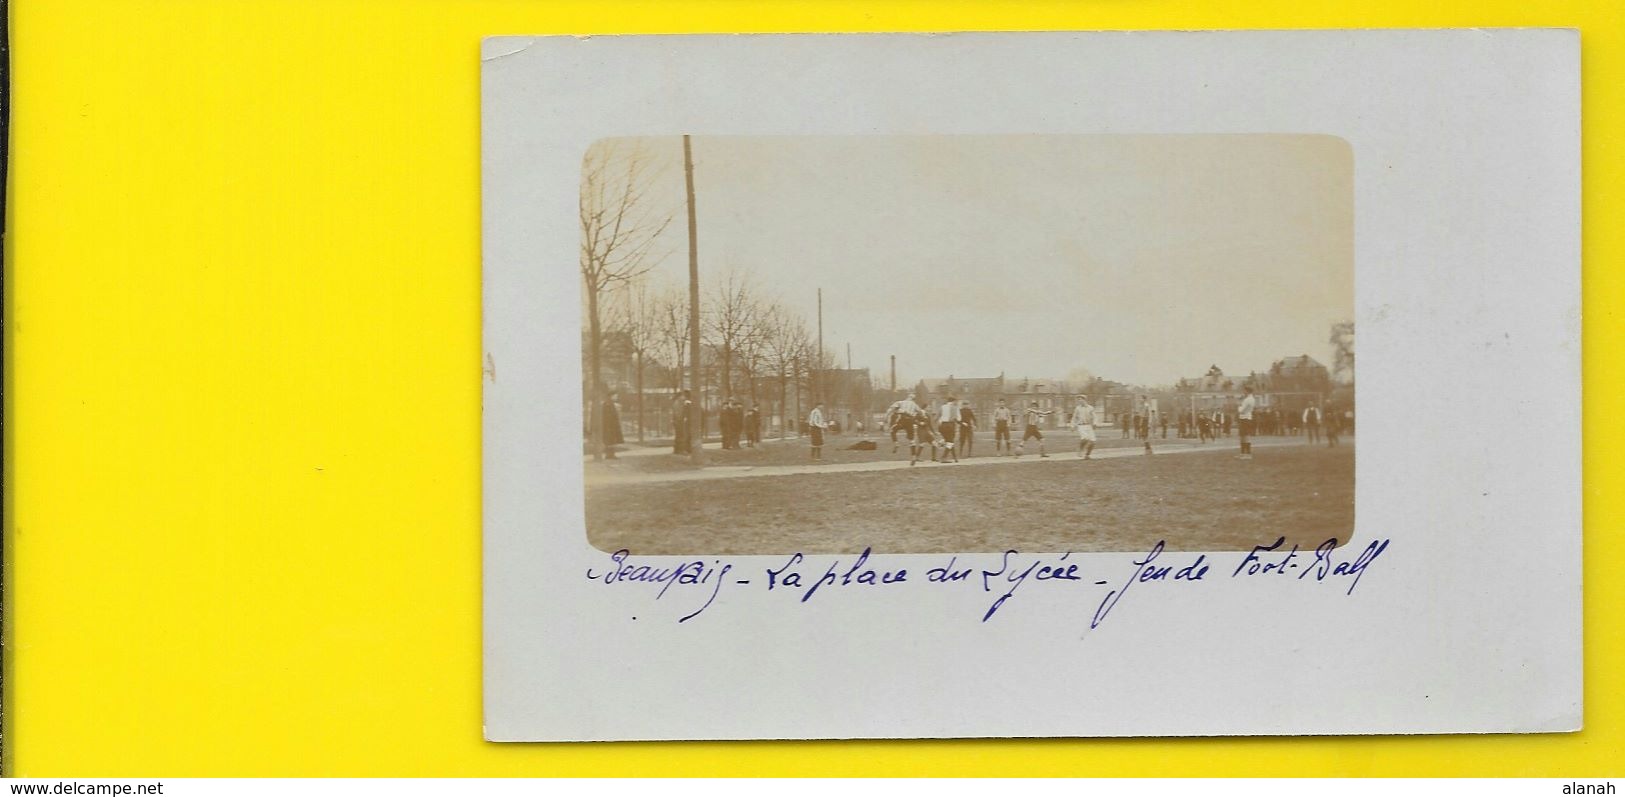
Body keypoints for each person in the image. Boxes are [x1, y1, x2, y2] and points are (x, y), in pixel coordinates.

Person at [600, 392, 624, 459]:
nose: (616, 397)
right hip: (608, 426)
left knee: (612, 441)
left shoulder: (614, 405)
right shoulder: (605, 405)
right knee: (608, 441)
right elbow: (604, 416)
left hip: (613, 426)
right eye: (615, 396)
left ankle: (611, 454)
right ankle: (608, 455)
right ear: (610, 396)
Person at [937, 396, 961, 463]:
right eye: (956, 401)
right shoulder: (955, 408)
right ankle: (943, 457)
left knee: (950, 441)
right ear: (953, 401)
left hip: (942, 425)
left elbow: (937, 417)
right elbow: (959, 419)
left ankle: (955, 457)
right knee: (950, 442)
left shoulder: (942, 407)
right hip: (950, 425)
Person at [1072, 395, 1097, 459]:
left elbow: (1094, 416)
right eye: (1078, 400)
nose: (1079, 401)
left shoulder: (1090, 408)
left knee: (1093, 441)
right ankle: (1080, 450)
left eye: (1080, 399)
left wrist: (1095, 423)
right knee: (1085, 438)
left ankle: (1087, 455)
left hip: (1088, 425)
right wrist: (1072, 425)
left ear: (1084, 400)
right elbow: (1074, 417)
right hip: (1081, 426)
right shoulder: (1078, 408)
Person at [1236, 386, 1257, 460]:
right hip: (1246, 418)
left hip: (1245, 418)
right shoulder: (1251, 399)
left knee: (1245, 436)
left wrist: (1239, 406)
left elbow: (1241, 410)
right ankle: (1243, 453)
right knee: (1243, 436)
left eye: (1244, 391)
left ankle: (1247, 454)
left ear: (1247, 391)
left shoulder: (1247, 400)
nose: (1243, 392)